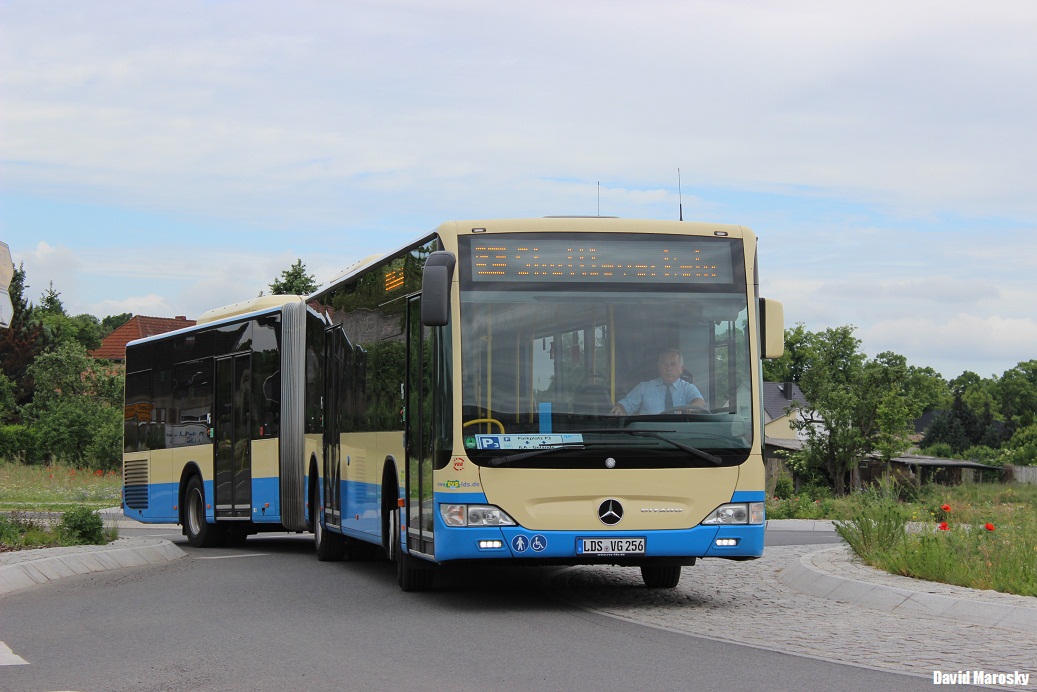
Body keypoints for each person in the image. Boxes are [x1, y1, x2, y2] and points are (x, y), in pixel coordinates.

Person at [611, 348, 706, 415]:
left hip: (680, 437)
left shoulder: (687, 388)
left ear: (681, 369)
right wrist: (619, 409)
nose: (668, 368)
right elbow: (624, 406)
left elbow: (699, 402)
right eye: (664, 364)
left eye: (673, 364)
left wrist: (692, 407)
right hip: (649, 437)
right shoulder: (643, 388)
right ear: (658, 367)